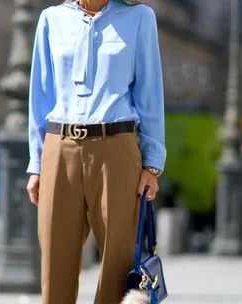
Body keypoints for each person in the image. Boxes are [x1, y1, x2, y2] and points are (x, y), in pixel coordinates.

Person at [26, 0, 166, 303]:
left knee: (118, 263)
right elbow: (40, 97)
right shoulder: (51, 19)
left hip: (116, 148)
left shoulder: (140, 17)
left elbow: (150, 93)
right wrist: (36, 164)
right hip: (58, 148)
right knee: (55, 261)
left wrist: (152, 163)